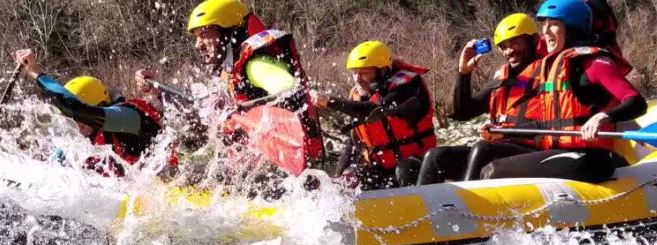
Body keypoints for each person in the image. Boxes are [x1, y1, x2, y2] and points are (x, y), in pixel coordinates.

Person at [479, 0, 646, 183]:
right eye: (544, 25)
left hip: (591, 158)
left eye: (554, 25)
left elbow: (636, 102)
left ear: (573, 28)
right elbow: (549, 126)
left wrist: (602, 117)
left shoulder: (594, 63)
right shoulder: (551, 68)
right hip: (558, 151)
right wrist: (504, 132)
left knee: (493, 171)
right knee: (486, 151)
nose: (545, 32)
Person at [186, 0, 325, 170]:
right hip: (255, 164)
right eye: (196, 37)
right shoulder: (228, 75)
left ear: (229, 33)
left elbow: (291, 94)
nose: (198, 45)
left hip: (285, 165)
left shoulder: (256, 66)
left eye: (205, 34)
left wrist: (240, 113)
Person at [415, 13, 548, 185]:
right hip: (499, 149)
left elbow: (550, 123)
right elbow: (462, 112)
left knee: (482, 148)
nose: (509, 51)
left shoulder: (548, 72)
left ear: (533, 40)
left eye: (515, 43)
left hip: (533, 150)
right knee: (436, 156)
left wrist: (504, 131)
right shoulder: (503, 78)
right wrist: (463, 72)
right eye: (504, 46)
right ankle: (422, 207)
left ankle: (462, 204)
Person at [11, 49, 165, 178]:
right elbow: (54, 166)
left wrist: (35, 72)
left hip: (172, 183)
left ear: (99, 106)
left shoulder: (129, 117)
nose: (78, 125)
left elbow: (77, 109)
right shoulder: (88, 140)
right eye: (73, 120)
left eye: (80, 119)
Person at [312, 41, 436, 190]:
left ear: (383, 71)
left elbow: (375, 110)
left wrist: (330, 102)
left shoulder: (407, 88)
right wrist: (340, 175)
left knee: (404, 168)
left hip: (418, 168)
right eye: (354, 73)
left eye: (364, 73)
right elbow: (352, 142)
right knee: (350, 179)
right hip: (382, 170)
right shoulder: (359, 96)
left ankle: (415, 208)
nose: (357, 79)